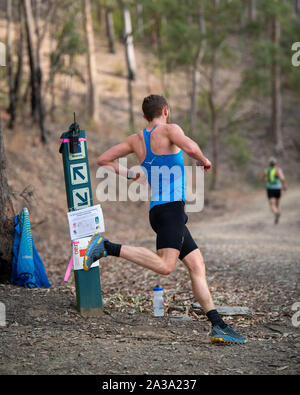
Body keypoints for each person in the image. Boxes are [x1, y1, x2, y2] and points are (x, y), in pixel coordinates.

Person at [84, 94, 247, 344]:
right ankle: (106, 247)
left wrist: (128, 174)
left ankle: (218, 325)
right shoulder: (171, 130)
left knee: (196, 265)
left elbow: (103, 159)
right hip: (171, 211)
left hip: (161, 212)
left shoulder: (136, 139)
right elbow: (191, 148)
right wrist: (204, 161)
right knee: (165, 266)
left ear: (144, 116)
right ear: (166, 111)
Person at [260, 157, 287, 224]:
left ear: (269, 163)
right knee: (277, 204)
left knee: (272, 204)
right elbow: (282, 178)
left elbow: (261, 179)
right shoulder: (278, 170)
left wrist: (266, 179)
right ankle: (277, 213)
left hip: (270, 188)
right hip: (278, 188)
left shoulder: (267, 170)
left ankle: (276, 213)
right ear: (276, 163)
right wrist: (284, 186)